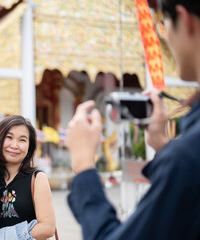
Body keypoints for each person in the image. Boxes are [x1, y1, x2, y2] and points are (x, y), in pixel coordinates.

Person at [66, 0, 200, 239]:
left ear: (184, 18)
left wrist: (83, 164)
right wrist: (163, 145)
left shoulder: (187, 157)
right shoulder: (185, 154)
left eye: (162, 24)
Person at [0, 115, 56, 239]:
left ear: (29, 147)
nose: (14, 145)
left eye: (22, 140)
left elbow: (48, 228)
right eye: (9, 137)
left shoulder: (37, 179)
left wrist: (3, 237)